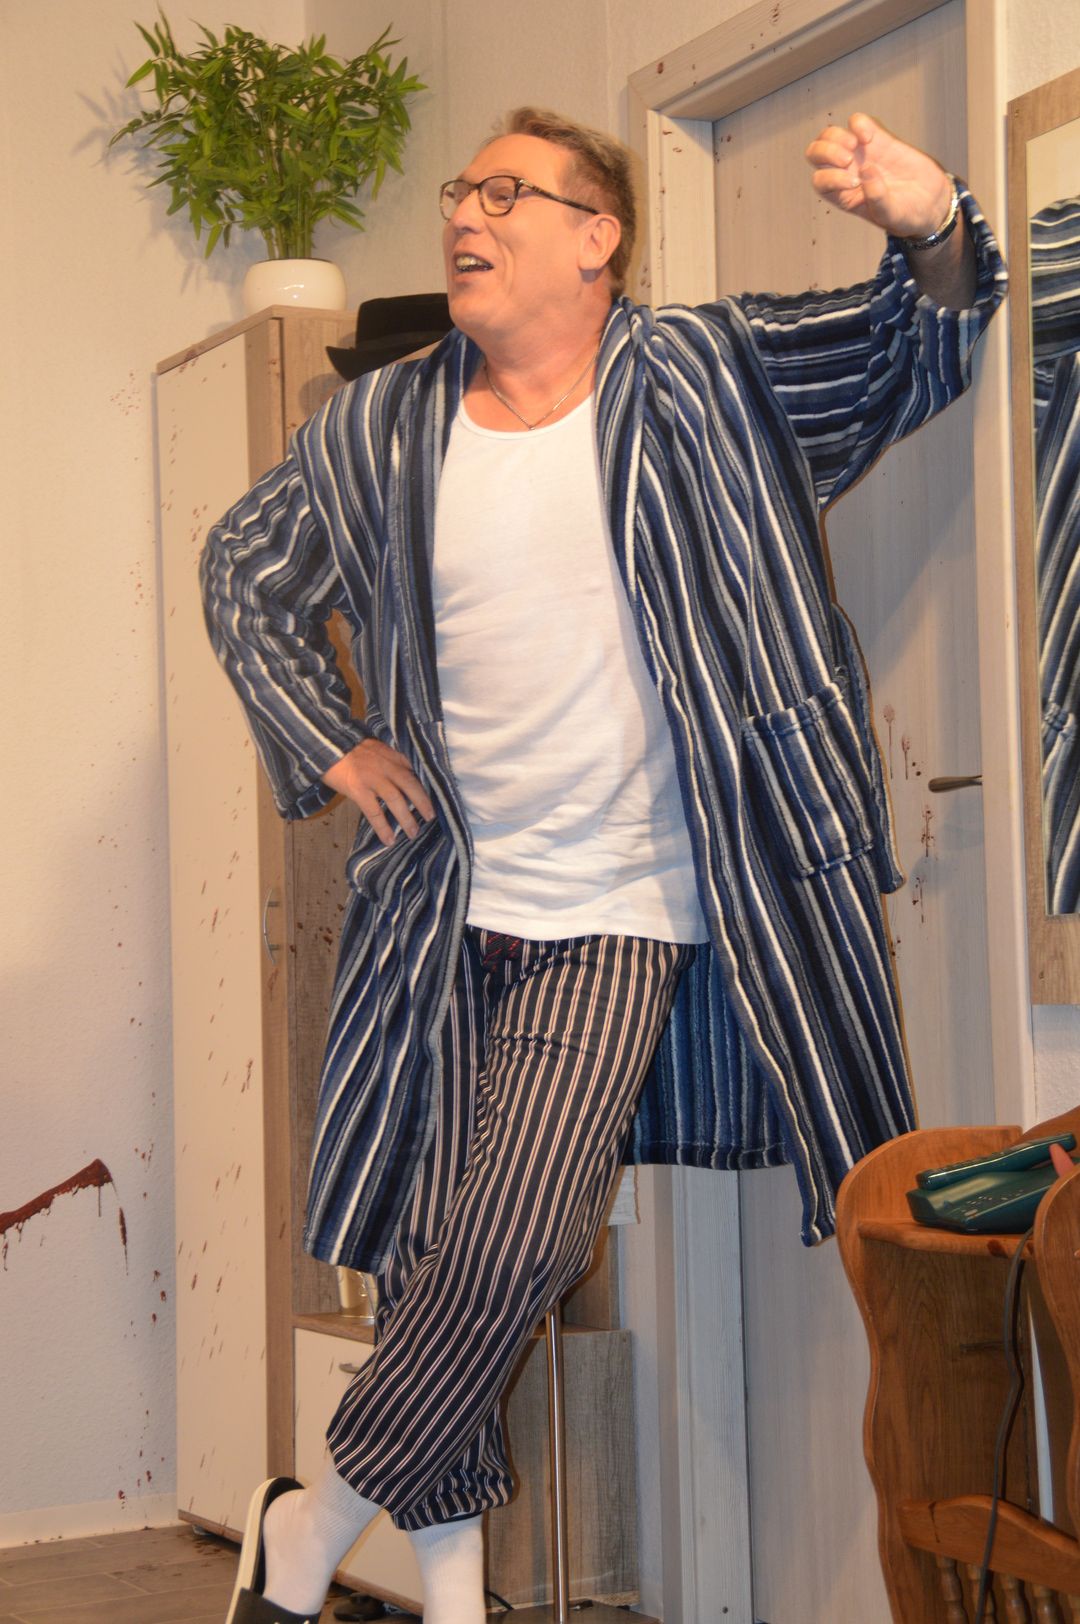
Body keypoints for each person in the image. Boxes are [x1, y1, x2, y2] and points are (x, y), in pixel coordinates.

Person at [206, 107, 1006, 1624]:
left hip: (620, 909)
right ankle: (451, 1594)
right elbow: (243, 571)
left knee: (514, 1244)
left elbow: (910, 351)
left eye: (507, 192)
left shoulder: (704, 376)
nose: (466, 213)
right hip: (440, 908)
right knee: (438, 1251)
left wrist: (929, 224)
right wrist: (334, 744)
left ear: (598, 236)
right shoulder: (384, 426)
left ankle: (309, 1526)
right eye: (461, 190)